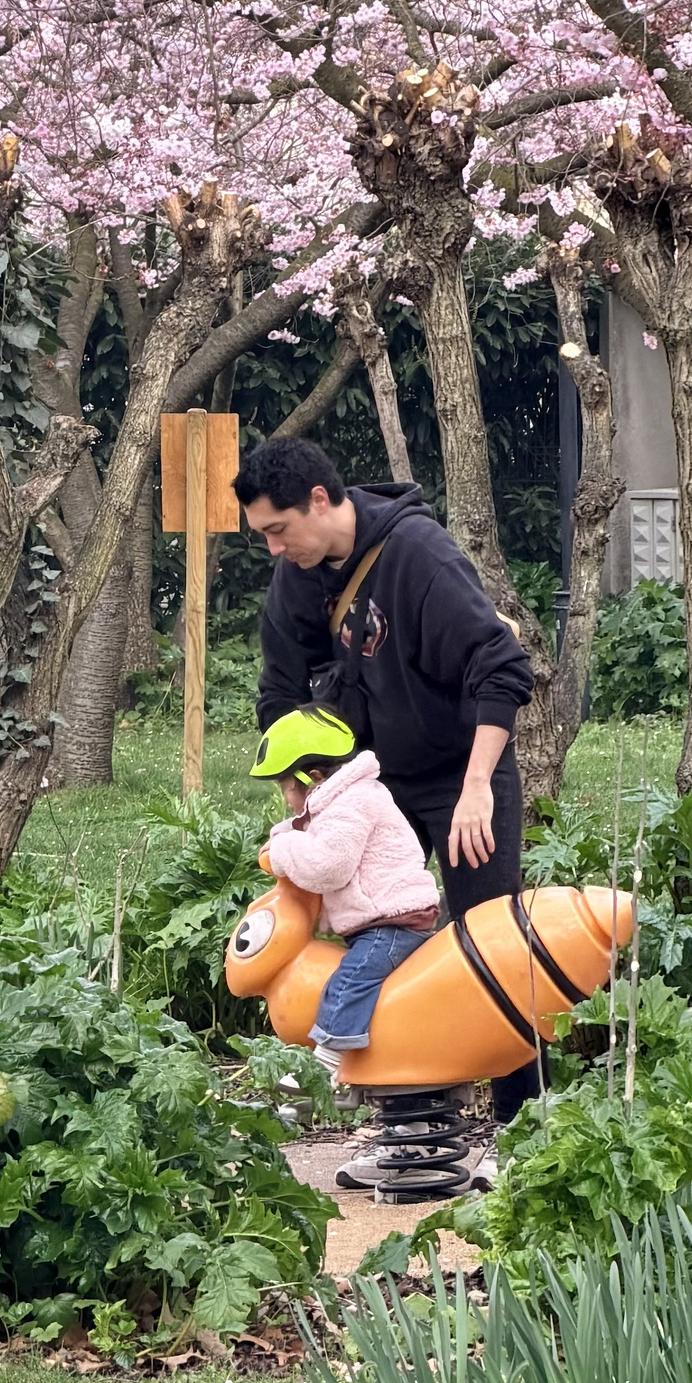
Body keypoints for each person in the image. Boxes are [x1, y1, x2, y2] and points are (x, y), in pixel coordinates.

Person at [233, 431, 539, 1187]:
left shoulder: (419, 556)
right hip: (368, 782)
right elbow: (280, 695)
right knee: (380, 940)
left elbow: (501, 669)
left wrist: (476, 791)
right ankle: (413, 1124)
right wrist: (303, 796)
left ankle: (520, 1131)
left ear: (318, 501)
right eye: (262, 537)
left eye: (278, 530)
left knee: (488, 947)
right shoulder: (297, 578)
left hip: (461, 774)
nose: (274, 548)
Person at [251, 708, 442, 1052]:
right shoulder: (341, 801)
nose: (286, 800)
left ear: (311, 778)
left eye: (285, 787)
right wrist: (282, 837)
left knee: (348, 983)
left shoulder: (352, 804)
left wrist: (281, 851)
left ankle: (330, 1060)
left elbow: (327, 865)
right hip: (382, 921)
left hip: (393, 923)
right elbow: (312, 833)